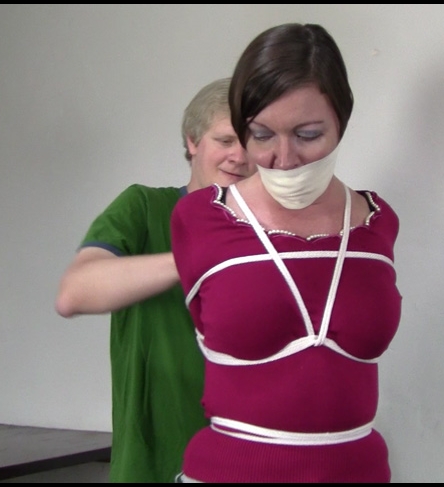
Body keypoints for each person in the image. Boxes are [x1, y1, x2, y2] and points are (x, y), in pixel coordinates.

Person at [170, 23, 402, 483]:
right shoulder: (200, 220)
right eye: (260, 135)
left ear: (341, 121)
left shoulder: (377, 223)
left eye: (308, 134)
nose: (284, 158)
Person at [55, 78, 255, 483]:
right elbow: (74, 293)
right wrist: (199, 259)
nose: (239, 156)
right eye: (225, 140)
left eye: (252, 142)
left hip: (246, 460)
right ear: (193, 141)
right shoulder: (145, 207)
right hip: (153, 466)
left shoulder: (271, 233)